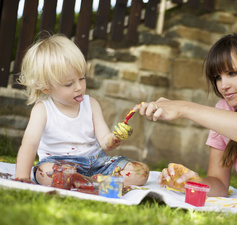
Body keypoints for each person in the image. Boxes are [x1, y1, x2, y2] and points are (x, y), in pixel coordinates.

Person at [133, 33, 237, 203]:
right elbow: (219, 184)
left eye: (232, 73)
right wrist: (192, 183)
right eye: (217, 77)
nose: (223, 85)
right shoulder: (222, 111)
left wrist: (184, 107)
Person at [15, 34, 149, 190]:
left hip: (96, 163)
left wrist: (113, 139)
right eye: (69, 84)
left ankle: (84, 182)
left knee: (141, 172)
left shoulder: (91, 104)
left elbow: (104, 141)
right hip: (59, 164)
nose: (79, 87)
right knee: (45, 173)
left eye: (82, 78)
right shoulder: (42, 110)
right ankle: (95, 183)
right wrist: (22, 177)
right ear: (46, 87)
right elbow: (29, 145)